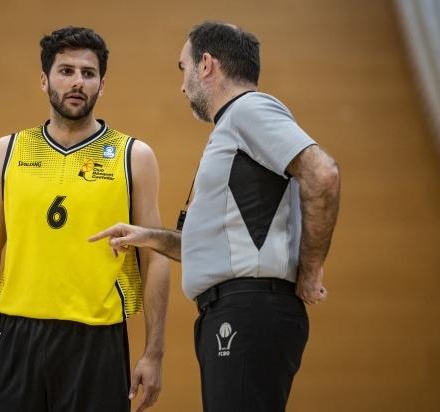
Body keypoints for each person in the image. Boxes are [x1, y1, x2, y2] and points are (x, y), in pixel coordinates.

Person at [89, 21, 340, 412]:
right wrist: (147, 236)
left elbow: (322, 174)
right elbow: (217, 245)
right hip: (235, 310)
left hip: (248, 310)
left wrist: (311, 271)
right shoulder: (236, 126)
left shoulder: (249, 110)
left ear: (206, 64)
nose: (183, 85)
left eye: (183, 68)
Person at [0, 26, 170, 412]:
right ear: (44, 79)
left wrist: (153, 352)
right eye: (66, 71)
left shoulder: (133, 156)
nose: (77, 82)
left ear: (101, 85)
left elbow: (154, 258)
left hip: (99, 340)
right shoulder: (7, 151)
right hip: (18, 334)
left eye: (88, 74)